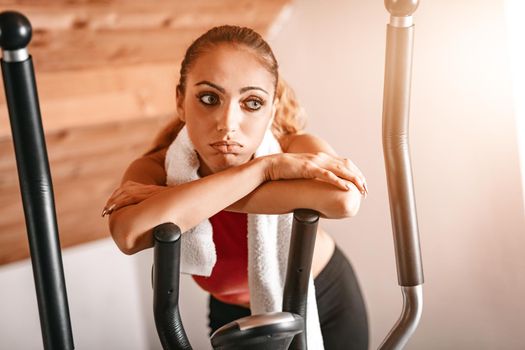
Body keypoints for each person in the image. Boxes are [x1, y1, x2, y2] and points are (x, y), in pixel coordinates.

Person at [102, 25, 369, 349]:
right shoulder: (158, 168)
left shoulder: (296, 149)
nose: (227, 123)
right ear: (181, 102)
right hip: (230, 311)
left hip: (320, 294)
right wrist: (265, 170)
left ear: (271, 109)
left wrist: (179, 199)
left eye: (252, 103)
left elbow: (344, 201)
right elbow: (128, 235)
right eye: (209, 98)